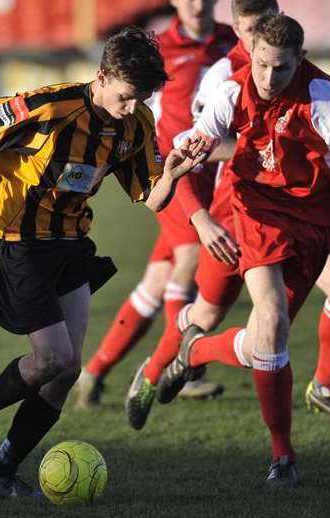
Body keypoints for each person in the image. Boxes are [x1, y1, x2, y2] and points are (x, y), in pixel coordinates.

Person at [0, 26, 209, 498]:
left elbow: (151, 198)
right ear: (103, 76)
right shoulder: (53, 106)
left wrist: (173, 171)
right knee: (53, 356)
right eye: (128, 96)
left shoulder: (138, 123)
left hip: (69, 239)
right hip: (17, 236)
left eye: (142, 98)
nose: (133, 107)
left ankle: (1, 473)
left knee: (66, 371)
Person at [128, 13, 330, 487]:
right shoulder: (228, 83)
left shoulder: (326, 101)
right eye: (260, 62)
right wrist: (199, 216)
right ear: (247, 41)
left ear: (299, 58)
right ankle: (281, 455)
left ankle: (298, 378)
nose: (268, 78)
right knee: (253, 319)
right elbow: (184, 153)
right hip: (249, 214)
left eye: (280, 68)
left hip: (312, 222)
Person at [77, 0, 236, 408]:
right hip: (173, 172)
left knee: (157, 280)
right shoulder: (158, 49)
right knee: (187, 261)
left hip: (213, 177)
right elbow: (158, 123)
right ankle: (181, 370)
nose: (197, 4)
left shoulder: (232, 42)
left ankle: (94, 371)